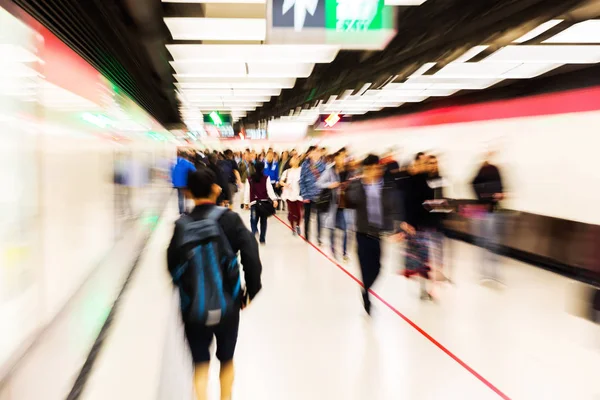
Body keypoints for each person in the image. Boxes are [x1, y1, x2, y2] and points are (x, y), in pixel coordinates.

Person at [167, 168, 262, 400]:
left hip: (193, 309)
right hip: (228, 303)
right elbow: (251, 255)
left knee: (200, 364)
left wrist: (190, 291)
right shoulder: (229, 218)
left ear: (188, 193)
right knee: (226, 360)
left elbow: (172, 267)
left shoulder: (182, 225)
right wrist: (250, 292)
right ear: (215, 189)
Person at [346, 155, 401, 315]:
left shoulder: (386, 185)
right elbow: (352, 199)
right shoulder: (357, 184)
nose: (375, 171)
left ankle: (366, 289)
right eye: (371, 168)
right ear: (366, 169)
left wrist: (396, 226)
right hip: (362, 233)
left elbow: (392, 207)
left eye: (378, 168)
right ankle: (367, 296)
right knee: (365, 267)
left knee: (378, 267)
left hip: (378, 233)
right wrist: (364, 182)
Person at [403, 153, 436, 300]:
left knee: (423, 259)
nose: (425, 165)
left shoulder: (427, 180)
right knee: (420, 259)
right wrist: (407, 223)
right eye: (422, 163)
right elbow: (407, 204)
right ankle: (423, 289)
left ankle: (424, 289)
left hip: (425, 225)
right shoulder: (411, 182)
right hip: (415, 226)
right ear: (416, 164)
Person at [471, 150, 504, 283]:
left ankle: (492, 273)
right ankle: (484, 272)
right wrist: (485, 197)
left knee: (492, 241)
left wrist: (499, 194)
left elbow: (501, 187)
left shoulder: (495, 170)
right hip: (485, 210)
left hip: (492, 210)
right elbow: (473, 184)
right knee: (486, 241)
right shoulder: (482, 170)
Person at [317, 149, 350, 261]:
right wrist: (331, 184)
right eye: (341, 157)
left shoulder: (347, 171)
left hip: (342, 205)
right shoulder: (330, 171)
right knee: (331, 229)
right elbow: (319, 183)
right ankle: (333, 250)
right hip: (332, 205)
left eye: (344, 157)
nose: (343, 159)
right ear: (336, 158)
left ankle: (344, 252)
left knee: (345, 229)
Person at [244, 162, 279, 244]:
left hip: (254, 204)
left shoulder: (249, 179)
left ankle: (255, 231)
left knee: (253, 220)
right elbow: (269, 190)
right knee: (263, 221)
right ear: (263, 168)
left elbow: (247, 192)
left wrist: (246, 203)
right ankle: (262, 239)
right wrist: (274, 199)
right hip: (264, 204)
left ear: (254, 168)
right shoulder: (266, 178)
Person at [299, 146, 326, 245]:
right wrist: (305, 195)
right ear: (309, 154)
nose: (315, 154)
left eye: (317, 152)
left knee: (320, 218)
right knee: (307, 216)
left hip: (319, 195)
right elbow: (301, 181)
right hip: (308, 196)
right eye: (313, 152)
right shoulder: (305, 165)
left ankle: (319, 237)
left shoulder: (323, 165)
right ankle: (306, 235)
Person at [280, 155, 303, 236]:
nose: (296, 160)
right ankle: (292, 227)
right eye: (294, 158)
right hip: (289, 194)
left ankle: (297, 225)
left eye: (297, 158)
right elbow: (281, 182)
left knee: (299, 212)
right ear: (290, 162)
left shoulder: (302, 170)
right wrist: (285, 185)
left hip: (299, 194)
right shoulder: (286, 172)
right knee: (291, 212)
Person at [172, 149, 197, 214]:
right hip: (184, 183)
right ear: (186, 156)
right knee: (186, 197)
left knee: (180, 197)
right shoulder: (187, 163)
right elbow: (194, 170)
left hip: (176, 183)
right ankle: (186, 210)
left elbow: (172, 171)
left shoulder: (175, 162)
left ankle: (181, 211)